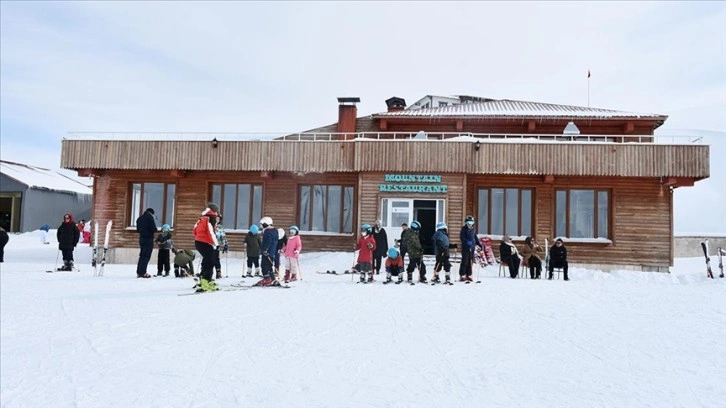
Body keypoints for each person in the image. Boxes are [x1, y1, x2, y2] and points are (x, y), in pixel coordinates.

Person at [193, 203, 220, 291]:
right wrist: (216, 244)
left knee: (206, 260)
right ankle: (206, 282)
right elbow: (211, 232)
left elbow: (195, 229)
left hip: (198, 242)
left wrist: (198, 237)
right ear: (214, 211)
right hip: (206, 243)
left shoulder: (202, 218)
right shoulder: (210, 218)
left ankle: (203, 279)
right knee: (210, 262)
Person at [255, 216, 281, 286]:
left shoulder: (267, 231)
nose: (261, 226)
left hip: (267, 252)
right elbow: (275, 240)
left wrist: (265, 249)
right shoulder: (275, 231)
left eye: (262, 224)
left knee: (264, 265)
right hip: (272, 252)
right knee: (269, 265)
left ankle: (266, 279)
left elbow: (268, 241)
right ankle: (273, 279)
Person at [135, 208, 157, 278]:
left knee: (142, 256)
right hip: (148, 239)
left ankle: (139, 272)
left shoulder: (139, 218)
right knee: (146, 256)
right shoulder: (150, 218)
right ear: (151, 213)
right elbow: (154, 229)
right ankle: (143, 272)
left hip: (141, 239)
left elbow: (138, 230)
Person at [459, 216, 480, 282]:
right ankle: (462, 275)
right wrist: (467, 242)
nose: (470, 224)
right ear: (466, 223)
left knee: (470, 262)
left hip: (472, 248)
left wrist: (479, 244)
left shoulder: (473, 230)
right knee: (465, 261)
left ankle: (469, 275)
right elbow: (462, 238)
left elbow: (475, 238)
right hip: (465, 248)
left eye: (471, 222)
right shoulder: (463, 229)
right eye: (469, 222)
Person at [213, 215, 228, 279]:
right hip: (209, 244)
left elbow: (223, 237)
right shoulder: (210, 225)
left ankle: (218, 272)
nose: (217, 220)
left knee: (216, 259)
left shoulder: (220, 228)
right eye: (216, 219)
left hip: (217, 245)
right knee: (208, 258)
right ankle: (205, 272)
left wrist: (225, 244)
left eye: (218, 219)